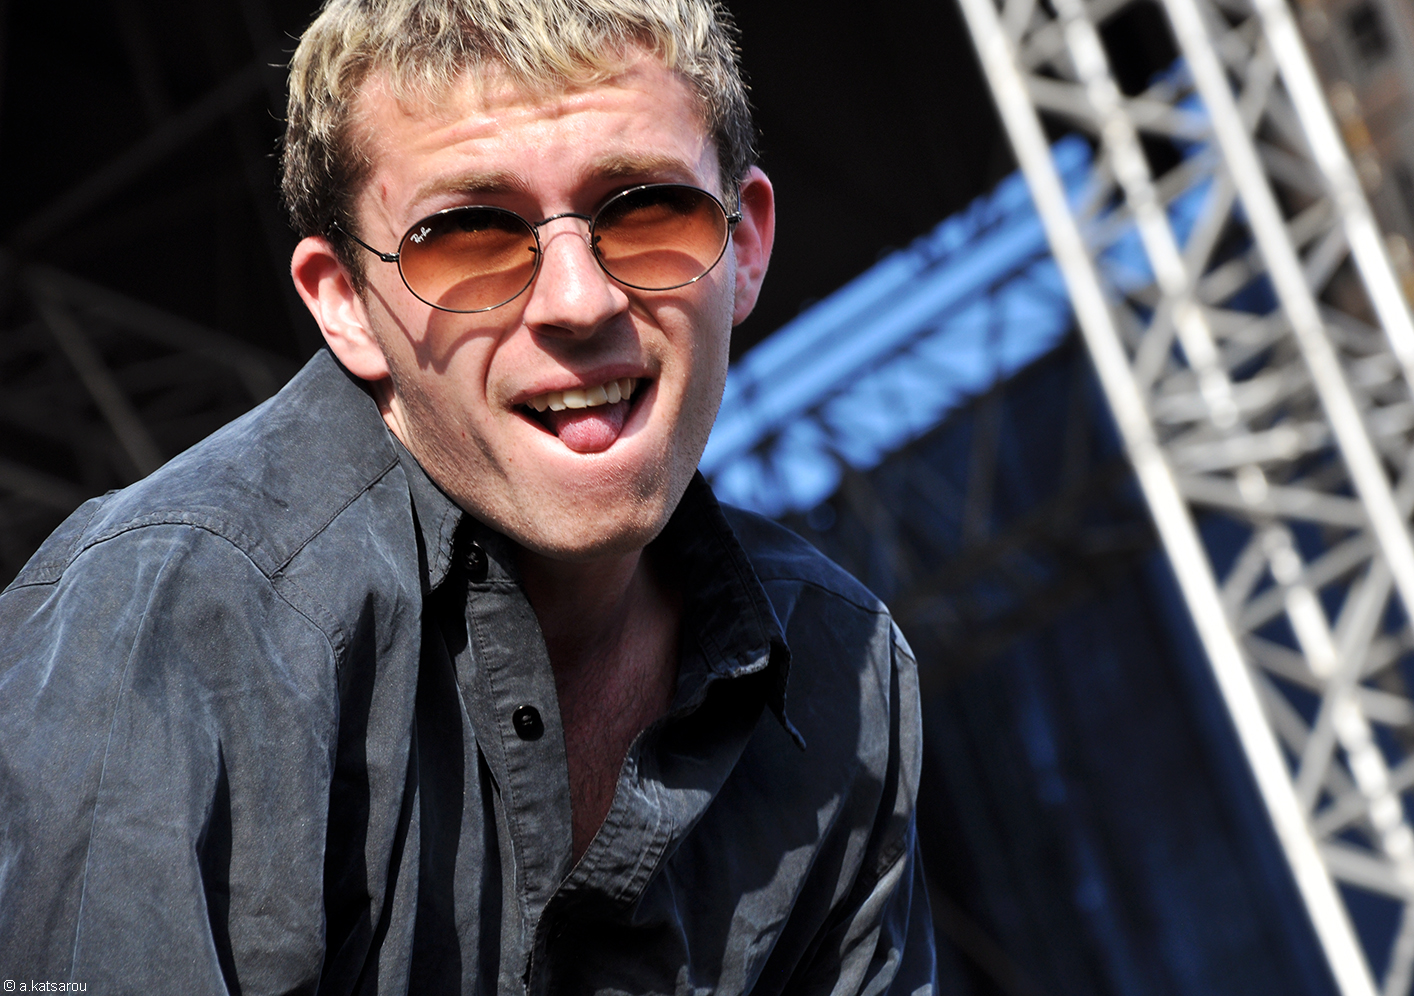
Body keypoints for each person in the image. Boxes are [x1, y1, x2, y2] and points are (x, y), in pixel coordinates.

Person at [0, 0, 934, 992]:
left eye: (646, 211)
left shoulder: (845, 672)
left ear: (743, 247)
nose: (579, 300)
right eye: (471, 238)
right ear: (346, 305)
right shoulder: (177, 616)